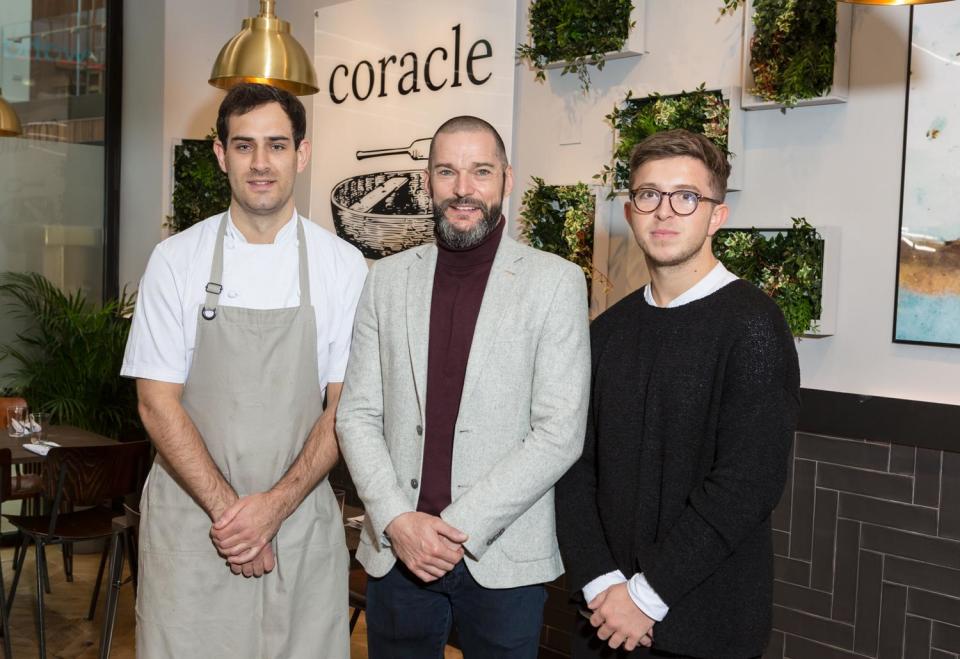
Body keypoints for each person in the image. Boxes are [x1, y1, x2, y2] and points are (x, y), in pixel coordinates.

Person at [121, 82, 367, 658]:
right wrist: (235, 518)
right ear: (220, 154)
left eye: (277, 145)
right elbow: (156, 403)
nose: (261, 163)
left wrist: (272, 510)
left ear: (301, 155)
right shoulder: (176, 260)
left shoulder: (342, 266)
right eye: (245, 145)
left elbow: (345, 407)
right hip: (193, 526)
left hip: (299, 522)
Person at [336, 115, 590, 658]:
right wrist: (399, 521)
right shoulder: (385, 279)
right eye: (447, 171)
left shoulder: (556, 283)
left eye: (480, 171)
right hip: (398, 554)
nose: (463, 189)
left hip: (502, 555)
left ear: (507, 178)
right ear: (427, 181)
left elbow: (559, 433)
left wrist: (453, 529)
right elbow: (356, 414)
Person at [556, 129, 800, 659]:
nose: (664, 212)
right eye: (649, 194)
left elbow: (746, 485)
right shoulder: (605, 332)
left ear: (717, 215)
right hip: (602, 618)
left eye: (686, 196)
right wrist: (601, 584)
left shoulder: (755, 325)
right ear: (630, 211)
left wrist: (644, 597)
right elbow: (572, 466)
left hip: (707, 627)